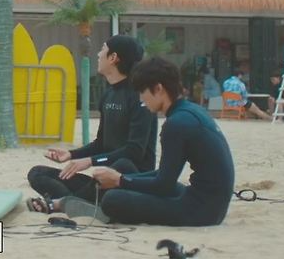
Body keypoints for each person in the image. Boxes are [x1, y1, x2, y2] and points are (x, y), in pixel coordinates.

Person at [89, 57, 235, 226]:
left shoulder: (176, 124)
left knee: (113, 199)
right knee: (126, 169)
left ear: (158, 89)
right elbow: (165, 176)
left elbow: (163, 185)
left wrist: (119, 180)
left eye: (142, 92)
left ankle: (96, 204)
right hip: (213, 205)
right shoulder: (191, 111)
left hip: (201, 212)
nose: (141, 99)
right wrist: (123, 178)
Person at [26, 35, 157, 214]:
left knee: (123, 164)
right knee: (37, 173)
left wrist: (90, 161)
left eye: (103, 49)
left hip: (129, 181)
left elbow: (134, 151)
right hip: (103, 182)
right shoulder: (108, 94)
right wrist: (71, 155)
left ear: (113, 57)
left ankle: (64, 203)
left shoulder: (140, 96)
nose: (98, 54)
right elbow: (101, 143)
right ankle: (81, 204)